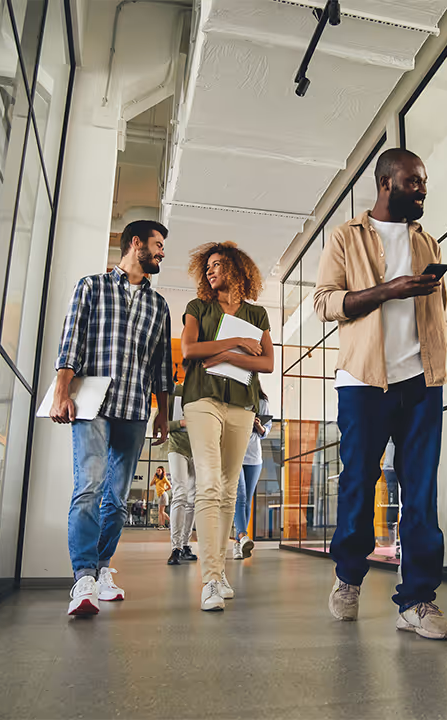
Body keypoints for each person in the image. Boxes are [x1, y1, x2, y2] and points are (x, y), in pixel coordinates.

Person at [313, 147, 447, 640]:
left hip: (421, 381)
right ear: (386, 183)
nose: (422, 190)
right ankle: (348, 578)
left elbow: (438, 310)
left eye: (423, 182)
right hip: (362, 381)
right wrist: (388, 290)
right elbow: (325, 302)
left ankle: (417, 600)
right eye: (414, 181)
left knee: (421, 491)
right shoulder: (345, 237)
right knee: (359, 482)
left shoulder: (429, 243)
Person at [51, 219, 172, 617]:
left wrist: (163, 415)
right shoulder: (92, 287)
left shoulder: (159, 306)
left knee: (117, 500)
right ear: (135, 243)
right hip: (94, 406)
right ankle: (83, 577)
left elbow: (162, 367)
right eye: (156, 245)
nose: (161, 253)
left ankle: (103, 569)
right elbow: (72, 342)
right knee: (89, 487)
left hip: (135, 409)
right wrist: (61, 392)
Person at [181, 242, 273, 611]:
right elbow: (189, 351)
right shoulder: (198, 307)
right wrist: (236, 343)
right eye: (207, 267)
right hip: (202, 399)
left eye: (217, 265)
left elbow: (266, 363)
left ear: (237, 269)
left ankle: (219, 574)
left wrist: (217, 354)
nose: (210, 271)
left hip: (242, 404)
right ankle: (209, 579)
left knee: (230, 489)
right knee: (209, 484)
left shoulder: (258, 313)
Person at [232, 389, 271, 560]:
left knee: (247, 500)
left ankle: (238, 544)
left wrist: (259, 426)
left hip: (254, 457)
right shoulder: (233, 398)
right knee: (239, 496)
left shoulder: (262, 402)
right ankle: (242, 536)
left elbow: (266, 430)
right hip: (235, 454)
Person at [165, 379, 198, 565]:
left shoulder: (204, 392)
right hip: (177, 448)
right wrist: (181, 423)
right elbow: (161, 424)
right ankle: (175, 547)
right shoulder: (175, 391)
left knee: (193, 499)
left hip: (198, 450)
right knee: (180, 494)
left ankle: (185, 545)